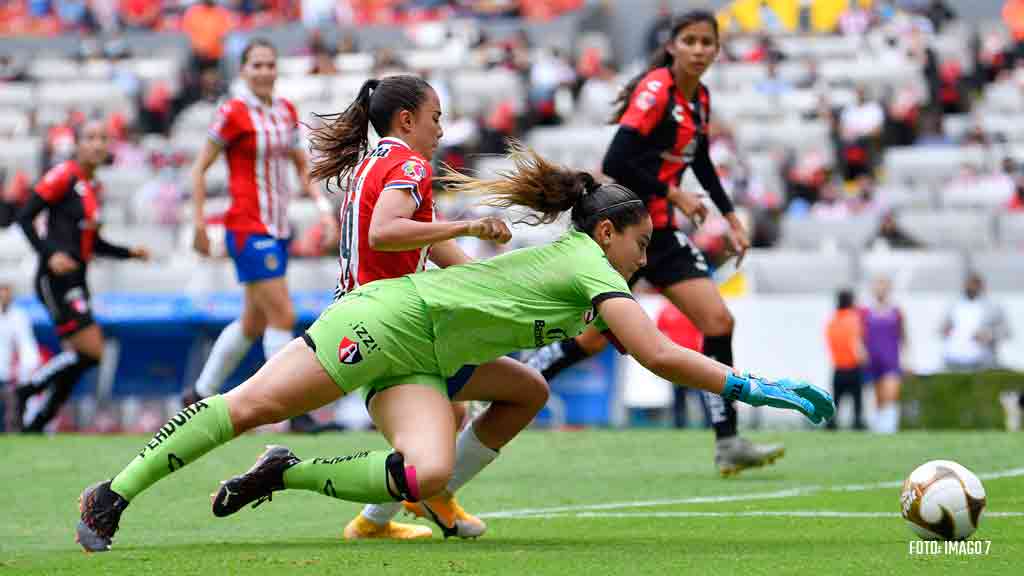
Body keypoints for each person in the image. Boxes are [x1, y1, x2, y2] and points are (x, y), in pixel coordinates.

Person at [74, 145, 835, 552]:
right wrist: (755, 387)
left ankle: (289, 473)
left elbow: (608, 341)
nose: (648, 253)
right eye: (643, 240)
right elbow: (659, 355)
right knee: (247, 406)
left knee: (480, 428)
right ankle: (112, 495)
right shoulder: (592, 266)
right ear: (608, 233)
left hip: (424, 355)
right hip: (381, 320)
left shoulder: (589, 270)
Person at [525, 10, 783, 476]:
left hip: (658, 234)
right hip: (622, 233)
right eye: (691, 41)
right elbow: (616, 159)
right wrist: (673, 192)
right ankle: (512, 385)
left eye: (708, 42)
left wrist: (730, 218)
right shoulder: (656, 90)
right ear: (672, 46)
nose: (700, 49)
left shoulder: (698, 97)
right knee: (588, 340)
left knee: (718, 320)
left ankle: (727, 442)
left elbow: (699, 159)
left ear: (717, 49)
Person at [306, 75, 547, 540]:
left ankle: (374, 521)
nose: (440, 129)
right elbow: (386, 232)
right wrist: (469, 228)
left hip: (361, 318)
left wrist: (493, 282)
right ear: (407, 119)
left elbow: (425, 239)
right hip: (393, 328)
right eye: (436, 118)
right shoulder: (411, 166)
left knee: (453, 415)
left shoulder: (373, 162)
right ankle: (430, 495)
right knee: (526, 391)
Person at [182, 39, 337, 434]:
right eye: (257, 65)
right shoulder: (232, 113)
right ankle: (290, 410)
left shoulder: (285, 111)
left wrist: (323, 211)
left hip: (278, 227)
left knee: (253, 321)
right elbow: (199, 169)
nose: (265, 71)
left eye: (270, 64)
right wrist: (200, 224)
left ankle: (198, 394)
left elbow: (302, 167)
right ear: (243, 71)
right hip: (247, 227)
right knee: (283, 315)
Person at [10, 119, 150, 433]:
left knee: (85, 356)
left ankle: (37, 421)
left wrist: (130, 253)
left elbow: (94, 243)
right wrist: (51, 254)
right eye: (90, 138)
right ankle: (27, 390)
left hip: (78, 278)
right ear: (78, 144)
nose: (97, 144)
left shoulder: (94, 187)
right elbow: (24, 217)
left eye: (103, 138)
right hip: (55, 278)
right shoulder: (64, 175)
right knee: (92, 351)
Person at [941, 273, 1011, 371]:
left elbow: (1006, 332)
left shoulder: (992, 307)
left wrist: (989, 335)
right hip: (954, 359)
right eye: (968, 284)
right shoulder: (955, 305)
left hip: (981, 362)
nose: (970, 287)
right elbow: (941, 328)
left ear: (981, 286)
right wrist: (945, 330)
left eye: (974, 284)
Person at [862, 277, 905, 434]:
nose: (880, 290)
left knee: (891, 395)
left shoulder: (896, 312)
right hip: (872, 361)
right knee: (877, 398)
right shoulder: (866, 312)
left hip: (891, 360)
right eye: (877, 286)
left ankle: (890, 428)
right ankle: (878, 429)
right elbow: (860, 335)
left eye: (883, 287)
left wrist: (907, 359)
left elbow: (904, 336)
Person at [1, 279, 41, 432]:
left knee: (12, 414)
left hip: (7, 376)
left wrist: (29, 367)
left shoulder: (18, 316)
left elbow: (26, 344)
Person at [825, 289, 866, 431]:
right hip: (853, 367)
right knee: (857, 401)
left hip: (838, 367)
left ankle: (830, 424)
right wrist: (863, 358)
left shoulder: (832, 321)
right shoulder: (853, 319)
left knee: (836, 401)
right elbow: (855, 343)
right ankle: (858, 424)